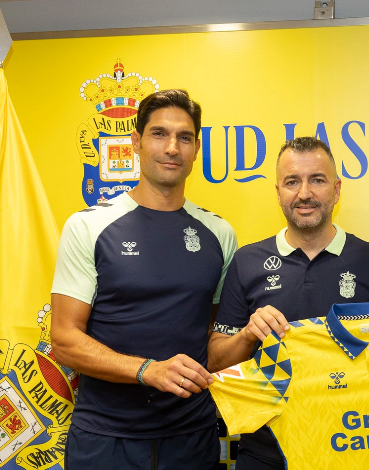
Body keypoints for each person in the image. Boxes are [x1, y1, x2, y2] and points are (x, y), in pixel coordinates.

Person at [207, 136, 369, 470]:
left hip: (355, 448)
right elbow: (216, 362)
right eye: (292, 181)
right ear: (278, 192)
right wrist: (248, 335)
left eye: (317, 180)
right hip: (267, 453)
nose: (304, 193)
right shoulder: (247, 261)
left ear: (336, 190)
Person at [51, 89, 237, 470]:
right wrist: (146, 369)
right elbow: (64, 341)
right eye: (159, 134)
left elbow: (216, 336)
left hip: (192, 437)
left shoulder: (220, 233)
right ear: (135, 142)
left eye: (184, 137)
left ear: (196, 148)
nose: (172, 147)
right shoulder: (88, 226)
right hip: (106, 439)